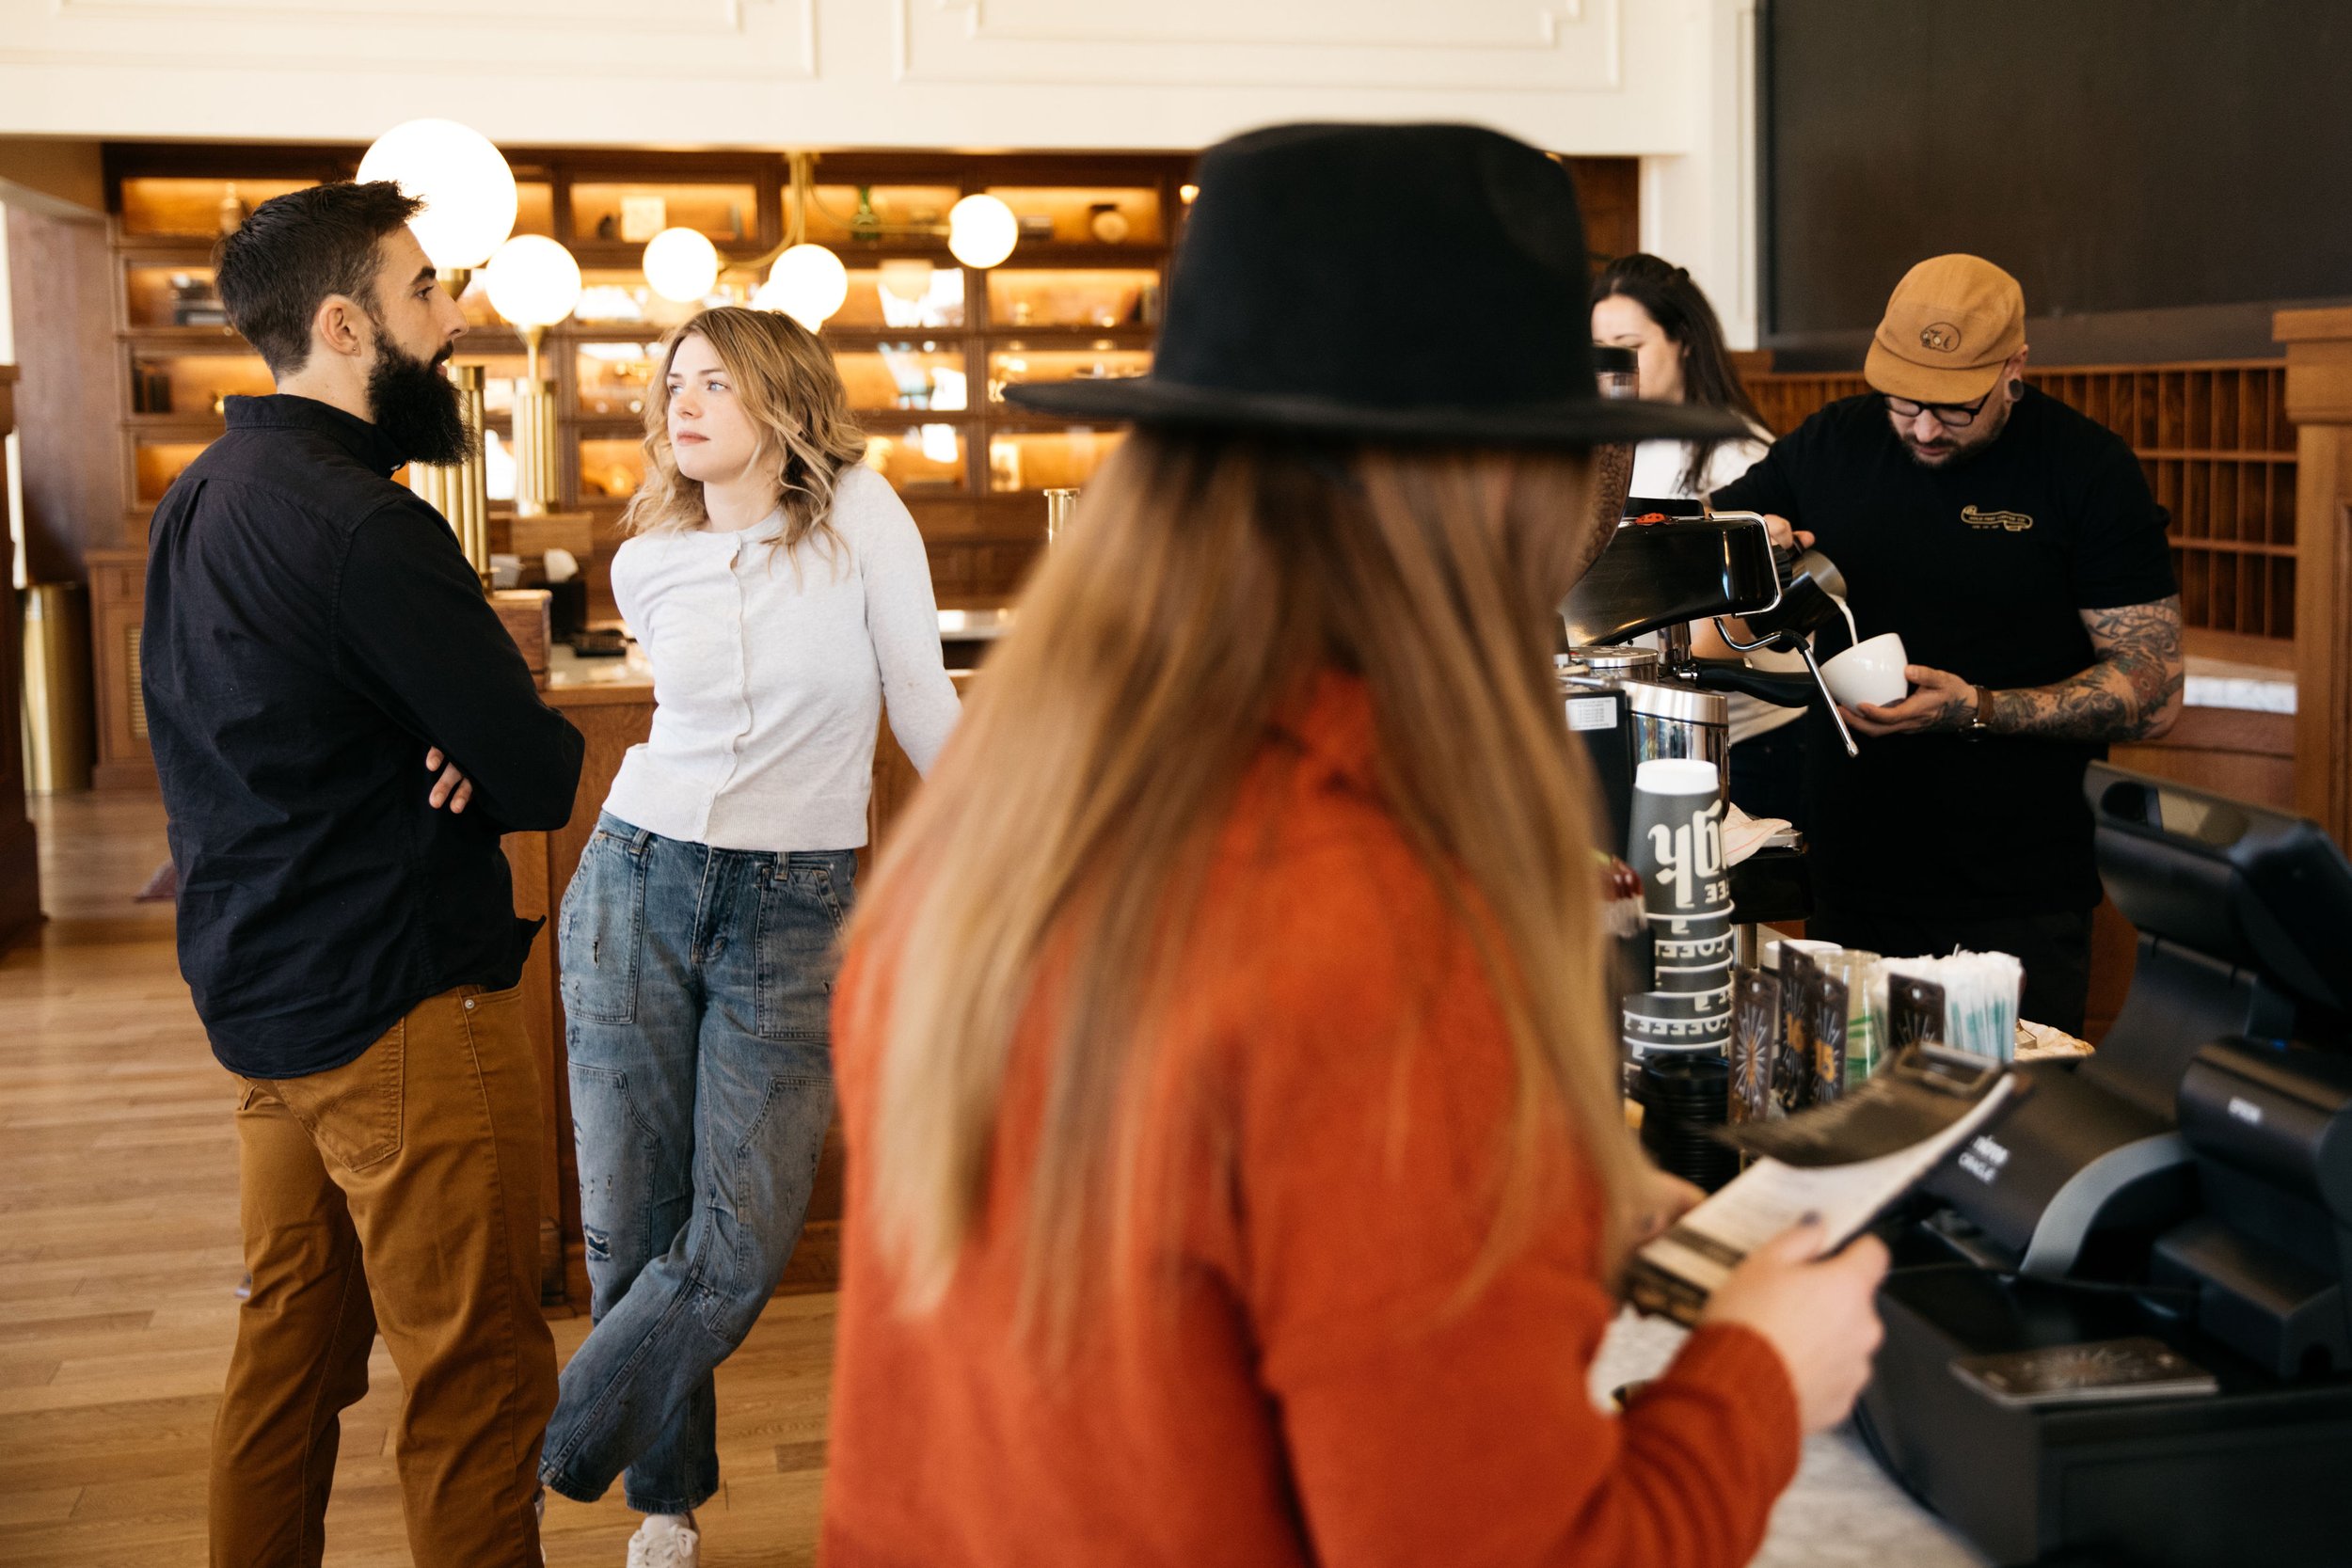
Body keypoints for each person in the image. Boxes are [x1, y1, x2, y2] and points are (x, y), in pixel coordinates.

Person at [819, 122, 1887, 1568]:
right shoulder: (1373, 931)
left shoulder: (1002, 823)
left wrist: (1531, 1205)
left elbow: (1175, 1280)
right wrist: (1763, 1364)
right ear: (1494, 493)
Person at [144, 182, 586, 1567]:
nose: (452, 317)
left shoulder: (199, 496)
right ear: (344, 326)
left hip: (265, 1003)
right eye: (424, 291)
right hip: (403, 1009)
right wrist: (468, 741)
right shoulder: (368, 523)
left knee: (287, 1359)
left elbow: (247, 735)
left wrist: (450, 737)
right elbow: (535, 771)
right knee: (476, 1378)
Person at [537, 306, 959, 1568]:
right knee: (629, 1224)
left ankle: (541, 1445)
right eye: (674, 381)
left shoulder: (860, 514)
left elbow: (922, 700)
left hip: (794, 902)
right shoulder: (646, 559)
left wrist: (1029, 837)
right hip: (633, 879)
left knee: (741, 1233)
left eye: (716, 381)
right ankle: (664, 1507)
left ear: (781, 397)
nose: (683, 401)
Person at [1712, 254, 2183, 1034]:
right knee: (1850, 1103)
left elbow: (2156, 693)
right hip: (1850, 877)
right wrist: (1751, 550)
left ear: (2013, 369)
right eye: (1904, 400)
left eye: (1956, 408)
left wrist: (1978, 708)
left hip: (2017, 896)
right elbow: (1705, 566)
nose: (1926, 428)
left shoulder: (2087, 470)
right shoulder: (1830, 443)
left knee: (2006, 1110)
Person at [1592, 253, 1807, 828]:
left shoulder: (1738, 457)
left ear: (1683, 341)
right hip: (1649, 724)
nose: (1613, 367)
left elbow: (1718, 636)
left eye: (1629, 345)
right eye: (1599, 349)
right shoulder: (1611, 450)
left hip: (1743, 742)